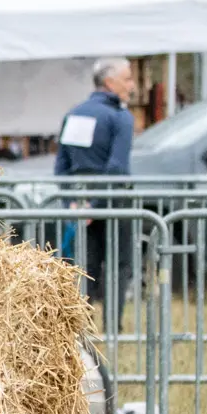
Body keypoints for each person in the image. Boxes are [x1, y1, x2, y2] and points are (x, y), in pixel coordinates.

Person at [54, 57, 135, 320]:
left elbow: (61, 165)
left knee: (83, 265)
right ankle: (114, 326)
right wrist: (98, 205)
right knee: (117, 263)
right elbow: (117, 168)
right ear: (110, 83)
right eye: (127, 79)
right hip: (112, 199)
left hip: (80, 198)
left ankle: (80, 327)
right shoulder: (121, 117)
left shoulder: (74, 114)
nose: (131, 85)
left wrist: (74, 205)